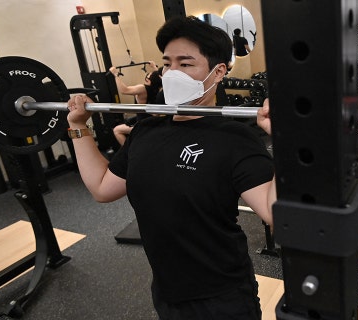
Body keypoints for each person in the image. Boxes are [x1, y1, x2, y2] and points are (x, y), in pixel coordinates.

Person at [66, 16, 276, 320]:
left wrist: (286, 140)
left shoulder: (235, 138)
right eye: (168, 63)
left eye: (186, 63)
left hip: (221, 295)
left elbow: (274, 214)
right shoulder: (146, 130)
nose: (173, 73)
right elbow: (101, 187)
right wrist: (78, 128)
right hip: (166, 289)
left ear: (218, 72)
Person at [109, 62, 162, 145]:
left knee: (117, 130)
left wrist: (116, 75)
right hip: (153, 121)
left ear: (149, 80)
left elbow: (124, 90)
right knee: (128, 121)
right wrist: (154, 67)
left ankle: (128, 151)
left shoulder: (143, 89)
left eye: (149, 76)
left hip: (143, 126)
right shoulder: (159, 89)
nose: (147, 76)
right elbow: (159, 78)